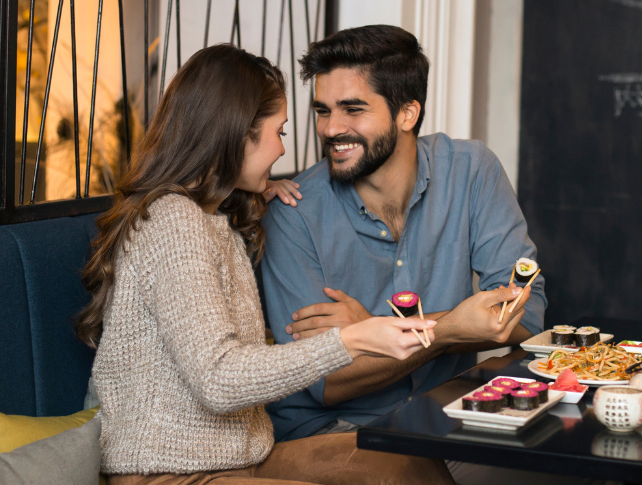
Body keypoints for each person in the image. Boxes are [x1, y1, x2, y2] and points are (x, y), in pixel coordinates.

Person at [72, 44, 454, 485]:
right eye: (279, 131)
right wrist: (351, 340)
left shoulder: (210, 217)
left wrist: (248, 192)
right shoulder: (173, 221)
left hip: (242, 457)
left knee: (408, 460)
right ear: (236, 134)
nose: (280, 149)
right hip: (167, 472)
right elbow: (217, 379)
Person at [260, 25, 546, 442]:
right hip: (335, 433)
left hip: (443, 415)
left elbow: (524, 315)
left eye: (352, 109)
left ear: (407, 113)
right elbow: (326, 380)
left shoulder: (471, 171)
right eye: (323, 111)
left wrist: (371, 328)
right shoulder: (293, 213)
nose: (330, 129)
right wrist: (447, 330)